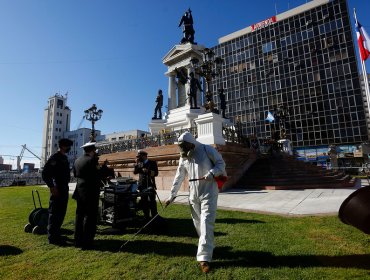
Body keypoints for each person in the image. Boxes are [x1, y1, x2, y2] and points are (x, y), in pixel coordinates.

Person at [165, 132, 226, 273]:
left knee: (206, 222)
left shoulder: (207, 149)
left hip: (209, 192)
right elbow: (179, 176)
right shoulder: (184, 157)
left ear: (191, 143)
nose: (183, 150)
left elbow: (221, 164)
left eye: (184, 146)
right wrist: (171, 195)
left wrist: (212, 173)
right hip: (193, 195)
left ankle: (204, 258)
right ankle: (207, 245)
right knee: (198, 224)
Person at [42, 138, 73, 245]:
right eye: (68, 146)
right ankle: (52, 238)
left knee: (61, 212)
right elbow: (45, 174)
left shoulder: (64, 158)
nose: (69, 148)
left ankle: (57, 234)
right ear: (63, 146)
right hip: (57, 188)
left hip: (64, 188)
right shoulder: (55, 158)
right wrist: (52, 187)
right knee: (55, 213)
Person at [72, 141, 101, 249]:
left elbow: (75, 174)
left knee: (79, 216)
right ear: (93, 150)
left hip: (79, 191)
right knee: (90, 217)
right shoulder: (92, 160)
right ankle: (88, 241)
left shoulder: (77, 160)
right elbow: (98, 175)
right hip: (90, 192)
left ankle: (77, 240)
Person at [134, 150, 158, 221]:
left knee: (152, 201)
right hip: (142, 185)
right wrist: (136, 164)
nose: (138, 158)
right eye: (138, 156)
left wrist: (149, 172)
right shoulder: (139, 163)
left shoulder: (152, 163)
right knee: (144, 201)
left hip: (150, 184)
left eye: (139, 156)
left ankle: (154, 216)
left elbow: (156, 173)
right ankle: (146, 216)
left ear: (144, 156)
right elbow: (135, 172)